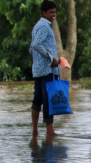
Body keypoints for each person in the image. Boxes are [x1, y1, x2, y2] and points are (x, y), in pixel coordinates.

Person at [30, 0, 60, 139]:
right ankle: (49, 130)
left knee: (38, 99)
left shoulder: (38, 26)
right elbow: (36, 45)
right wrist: (51, 58)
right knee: (47, 100)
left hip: (38, 69)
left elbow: (32, 47)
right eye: (51, 12)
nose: (53, 15)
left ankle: (35, 131)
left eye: (54, 12)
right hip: (46, 69)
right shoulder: (44, 27)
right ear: (44, 13)